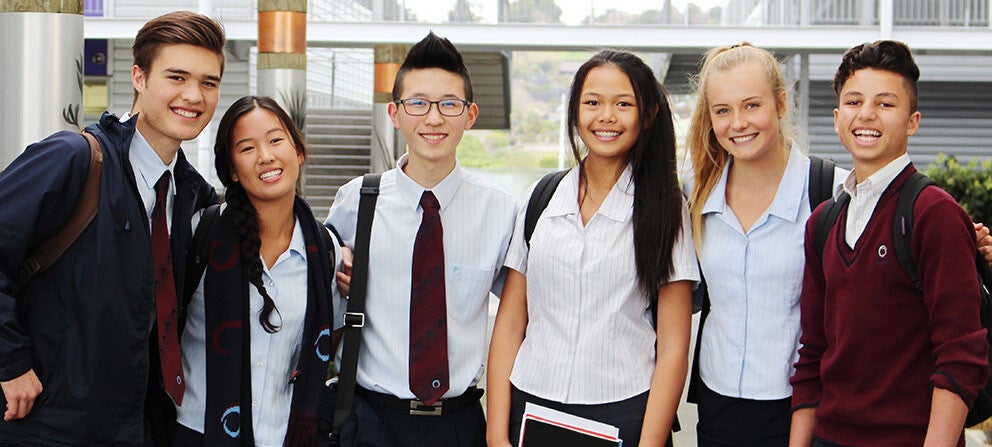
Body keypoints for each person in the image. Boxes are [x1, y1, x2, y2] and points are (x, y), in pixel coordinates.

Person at [0, 11, 225, 446]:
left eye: (209, 83)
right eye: (176, 77)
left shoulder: (193, 195)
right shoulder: (74, 159)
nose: (193, 95)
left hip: (138, 426)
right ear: (139, 77)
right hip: (46, 425)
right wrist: (10, 364)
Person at [487, 50, 697, 447]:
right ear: (575, 111)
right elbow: (511, 323)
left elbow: (673, 347)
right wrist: (496, 434)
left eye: (624, 104)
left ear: (648, 115)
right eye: (593, 102)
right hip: (531, 402)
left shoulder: (667, 208)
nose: (606, 116)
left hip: (622, 410)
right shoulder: (541, 198)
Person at [789, 40, 989, 446]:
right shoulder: (823, 222)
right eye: (854, 101)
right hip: (829, 437)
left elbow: (961, 358)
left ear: (912, 121)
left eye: (885, 103)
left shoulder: (933, 213)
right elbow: (813, 353)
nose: (866, 114)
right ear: (837, 117)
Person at [323, 32, 517, 446]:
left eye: (449, 104)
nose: (433, 118)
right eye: (418, 103)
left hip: (459, 423)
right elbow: (322, 296)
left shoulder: (501, 211)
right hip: (370, 419)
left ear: (470, 115)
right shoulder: (357, 200)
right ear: (395, 113)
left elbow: (521, 317)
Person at [684, 43, 846, 446]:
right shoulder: (693, 195)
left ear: (781, 103)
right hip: (718, 402)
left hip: (804, 403)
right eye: (723, 111)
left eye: (752, 106)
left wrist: (974, 245)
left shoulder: (834, 191)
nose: (738, 123)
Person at [171, 96, 340, 447]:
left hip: (285, 436)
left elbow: (330, 337)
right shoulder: (200, 233)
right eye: (247, 148)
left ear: (298, 151)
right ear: (232, 169)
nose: (266, 156)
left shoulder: (326, 250)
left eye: (276, 140)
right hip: (197, 433)